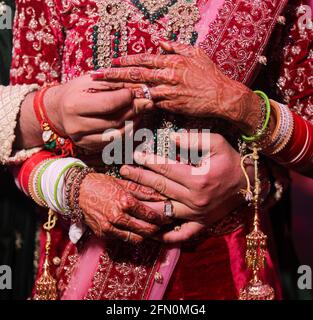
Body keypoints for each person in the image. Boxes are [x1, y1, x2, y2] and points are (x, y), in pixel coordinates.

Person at [4, 0, 312, 300]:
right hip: (84, 260)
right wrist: (74, 189)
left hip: (223, 269)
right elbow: (17, 140)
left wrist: (242, 110)